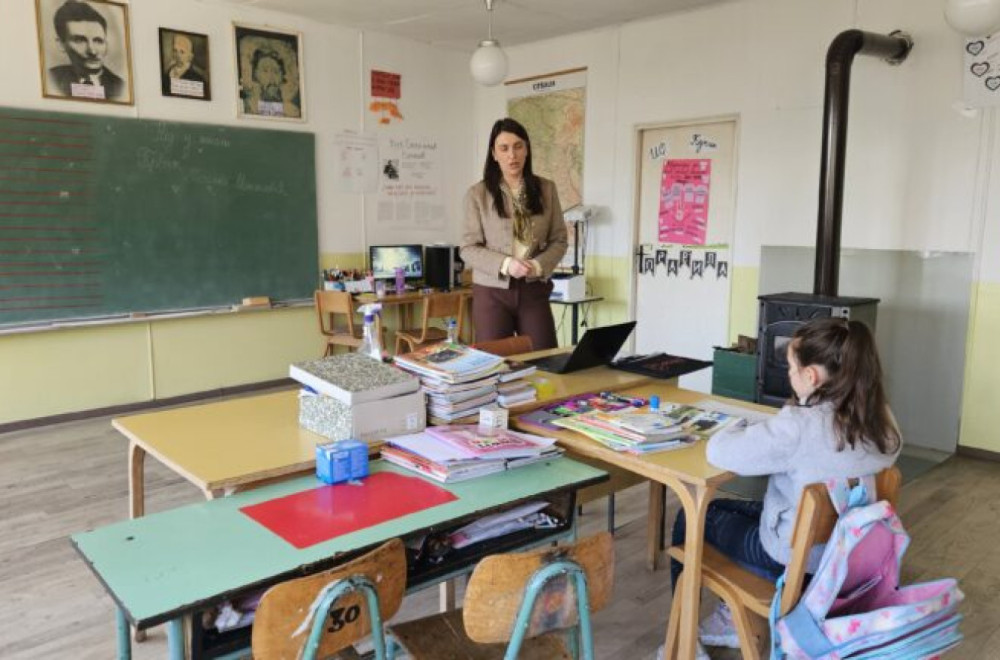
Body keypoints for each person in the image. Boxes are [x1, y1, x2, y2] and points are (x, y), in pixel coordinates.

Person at [662, 318, 901, 660]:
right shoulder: (882, 421)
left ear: (811, 377)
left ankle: (683, 641)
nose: (789, 375)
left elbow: (719, 451)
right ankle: (728, 619)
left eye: (791, 367)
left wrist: (741, 425)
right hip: (846, 559)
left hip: (792, 563)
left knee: (693, 517)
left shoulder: (801, 426)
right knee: (724, 508)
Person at [461, 118, 568, 350]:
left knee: (545, 357)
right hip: (492, 292)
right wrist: (506, 264)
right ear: (494, 154)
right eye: (504, 148)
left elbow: (559, 239)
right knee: (494, 365)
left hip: (533, 289)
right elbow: (468, 248)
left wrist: (538, 265)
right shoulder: (477, 194)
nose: (512, 155)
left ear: (527, 150)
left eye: (518, 146)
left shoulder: (546, 189)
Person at [47, 0, 125, 100]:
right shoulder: (51, 79)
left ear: (106, 44)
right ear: (61, 44)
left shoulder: (120, 87)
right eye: (80, 40)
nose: (92, 51)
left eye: (98, 41)